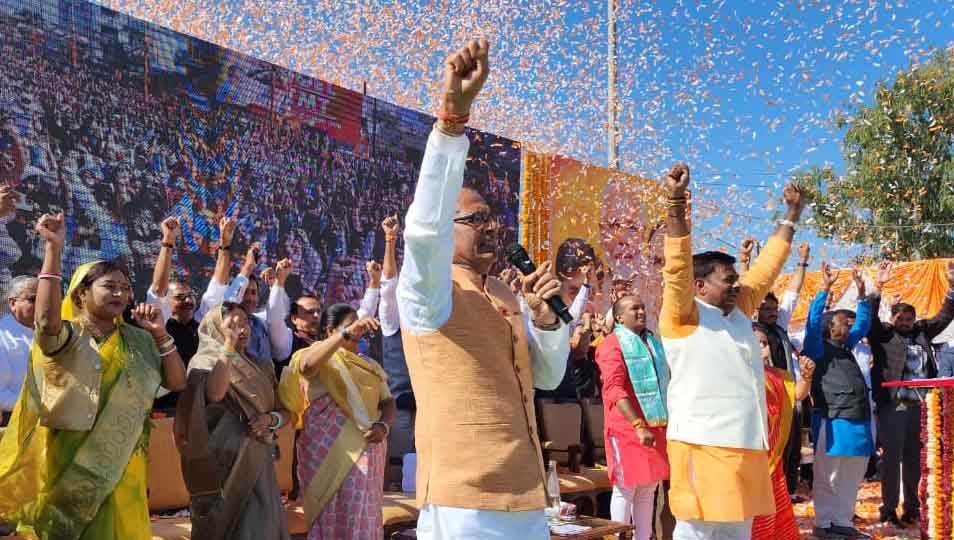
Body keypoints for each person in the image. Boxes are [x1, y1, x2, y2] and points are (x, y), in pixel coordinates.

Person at [396, 40, 570, 539]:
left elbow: (548, 377)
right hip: (463, 501)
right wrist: (451, 125)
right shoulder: (428, 293)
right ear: (447, 230)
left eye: (492, 219)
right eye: (475, 220)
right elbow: (424, 232)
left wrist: (546, 322)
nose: (490, 227)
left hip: (527, 494)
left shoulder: (505, 293)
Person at [0, 212, 187, 540]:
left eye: (125, 289)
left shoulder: (139, 339)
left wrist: (159, 334)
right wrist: (53, 249)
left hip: (124, 462)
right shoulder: (67, 337)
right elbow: (45, 323)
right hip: (70, 461)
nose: (119, 294)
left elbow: (177, 383)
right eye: (109, 287)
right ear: (80, 294)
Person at [659, 163, 804, 540]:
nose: (737, 285)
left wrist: (792, 214)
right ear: (699, 286)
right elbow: (676, 268)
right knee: (698, 533)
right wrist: (675, 204)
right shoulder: (683, 315)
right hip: (702, 445)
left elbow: (768, 267)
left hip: (748, 447)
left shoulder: (738, 311)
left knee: (738, 533)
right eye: (728, 280)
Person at [174, 302, 291, 540]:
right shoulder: (203, 363)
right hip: (224, 463)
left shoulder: (262, 365)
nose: (242, 329)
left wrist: (271, 420)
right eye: (233, 324)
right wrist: (228, 346)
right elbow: (215, 393)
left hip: (258, 458)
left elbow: (285, 412)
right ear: (216, 327)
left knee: (262, 525)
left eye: (245, 322)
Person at [278, 303, 395, 539]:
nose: (358, 329)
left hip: (368, 450)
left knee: (361, 518)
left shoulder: (369, 364)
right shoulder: (315, 355)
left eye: (358, 323)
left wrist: (383, 426)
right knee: (330, 517)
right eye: (350, 324)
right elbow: (307, 367)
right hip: (326, 454)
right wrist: (345, 335)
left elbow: (388, 402)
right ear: (331, 330)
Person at [868, 260, 954, 526]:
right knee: (891, 460)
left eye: (909, 319)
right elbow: (869, 319)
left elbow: (944, 315)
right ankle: (889, 510)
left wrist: (952, 286)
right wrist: (878, 287)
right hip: (894, 406)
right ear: (892, 319)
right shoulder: (883, 335)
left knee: (915, 460)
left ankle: (913, 508)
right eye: (900, 319)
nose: (905, 323)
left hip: (921, 407)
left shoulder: (921, 332)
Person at [802, 263, 874, 540]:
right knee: (828, 476)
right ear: (829, 328)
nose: (849, 324)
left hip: (858, 419)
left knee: (852, 476)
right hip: (832, 420)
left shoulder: (846, 347)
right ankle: (823, 524)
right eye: (844, 322)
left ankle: (842, 521)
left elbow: (864, 323)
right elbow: (811, 323)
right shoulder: (817, 347)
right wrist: (825, 289)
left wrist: (862, 293)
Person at [595, 294, 670, 540]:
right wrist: (638, 425)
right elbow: (614, 389)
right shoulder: (611, 344)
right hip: (627, 428)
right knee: (625, 488)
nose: (641, 312)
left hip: (655, 425)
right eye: (634, 308)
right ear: (619, 318)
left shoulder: (652, 342)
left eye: (642, 307)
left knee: (648, 490)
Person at [148, 215, 241, 411]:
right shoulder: (160, 323)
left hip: (200, 404)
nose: (188, 301)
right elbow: (158, 289)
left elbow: (219, 284)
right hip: (164, 408)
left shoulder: (201, 323)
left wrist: (225, 244)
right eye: (180, 297)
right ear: (167, 301)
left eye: (191, 296)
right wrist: (168, 241)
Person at [752, 242, 811, 501]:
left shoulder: (781, 327)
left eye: (774, 310)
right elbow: (746, 291)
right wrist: (746, 261)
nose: (772, 313)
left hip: (789, 396)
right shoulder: (750, 330)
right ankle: (768, 497)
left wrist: (802, 261)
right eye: (766, 309)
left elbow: (792, 293)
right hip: (765, 400)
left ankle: (786, 494)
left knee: (791, 447)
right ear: (756, 310)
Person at [750, 327, 813, 540]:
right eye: (755, 342)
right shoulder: (738, 376)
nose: (761, 347)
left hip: (773, 454)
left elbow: (797, 394)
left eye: (764, 343)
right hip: (749, 455)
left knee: (775, 507)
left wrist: (806, 377)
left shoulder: (777, 376)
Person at [378, 214, 417, 489]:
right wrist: (390, 240)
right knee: (397, 462)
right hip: (400, 403)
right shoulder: (392, 319)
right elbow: (389, 284)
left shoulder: (426, 320)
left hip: (426, 403)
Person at [0, 275, 36, 424]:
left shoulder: (55, 332)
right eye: (33, 299)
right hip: (12, 422)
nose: (42, 304)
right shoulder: (2, 337)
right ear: (13, 303)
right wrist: (37, 407)